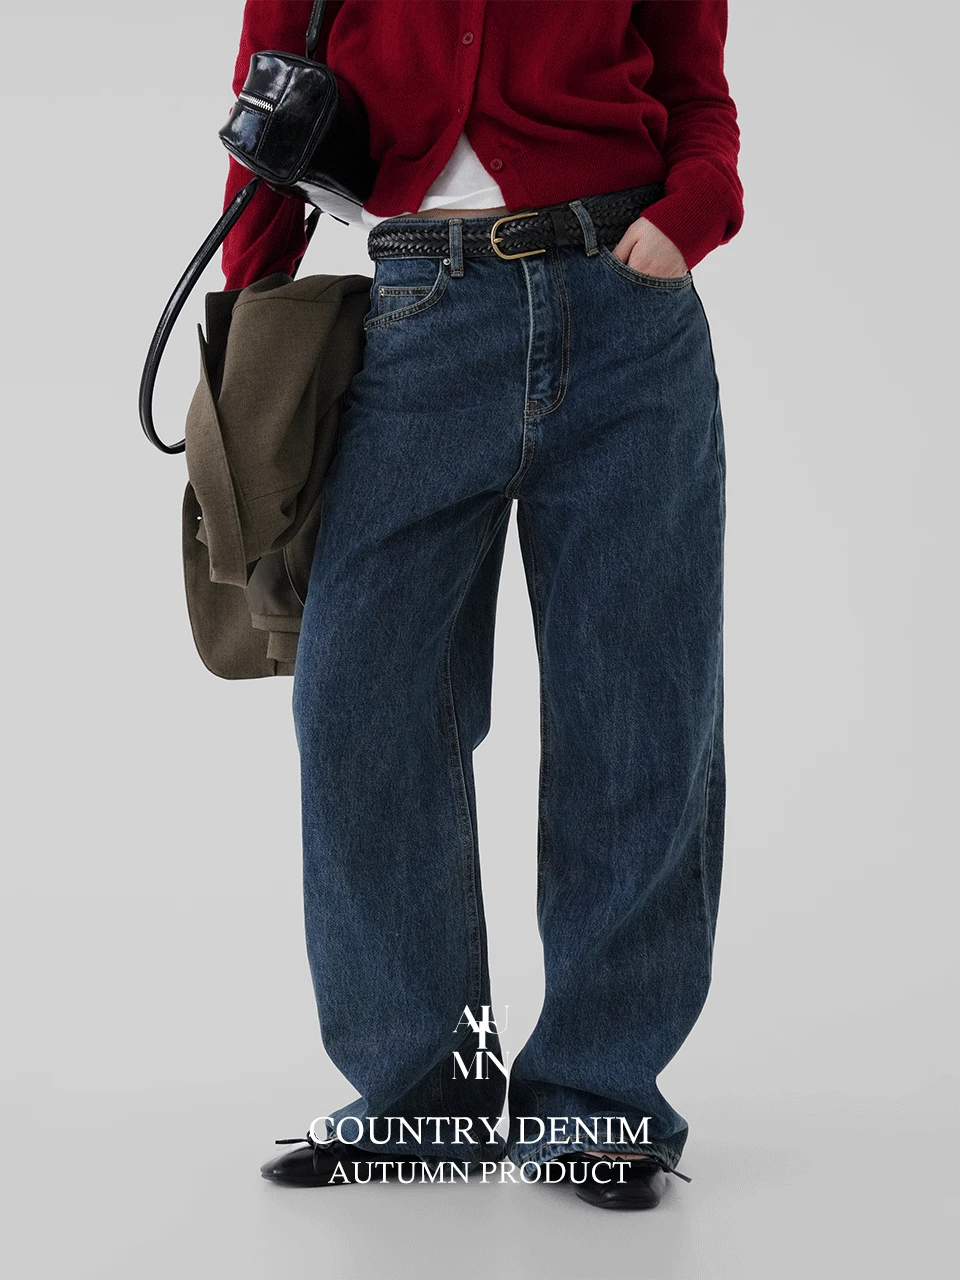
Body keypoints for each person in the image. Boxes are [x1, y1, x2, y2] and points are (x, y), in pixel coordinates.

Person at [221, 0, 743, 1212]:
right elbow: (267, 106)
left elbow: (698, 94)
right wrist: (252, 336)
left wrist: (693, 213)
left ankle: (601, 1098)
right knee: (361, 707)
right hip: (414, 317)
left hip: (625, 309)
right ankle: (423, 1092)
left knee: (637, 714)